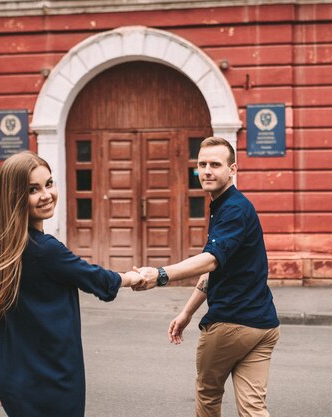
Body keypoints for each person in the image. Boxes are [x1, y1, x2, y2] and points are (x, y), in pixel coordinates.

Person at [0, 151, 143, 417]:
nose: (46, 195)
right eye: (33, 189)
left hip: (14, 381)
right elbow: (95, 278)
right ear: (14, 197)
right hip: (52, 381)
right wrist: (135, 277)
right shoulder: (44, 250)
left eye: (49, 184)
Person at [134, 137, 280, 417]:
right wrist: (187, 313)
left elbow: (211, 259)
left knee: (208, 394)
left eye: (215, 164)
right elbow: (215, 271)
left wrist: (161, 274)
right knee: (253, 408)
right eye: (202, 164)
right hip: (264, 326)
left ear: (232, 169)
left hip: (231, 323)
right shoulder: (229, 206)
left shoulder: (233, 209)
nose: (207, 171)